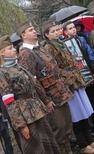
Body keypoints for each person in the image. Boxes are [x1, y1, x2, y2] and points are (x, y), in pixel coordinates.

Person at [42, 20, 94, 154]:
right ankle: (83, 144)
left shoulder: (62, 43)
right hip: (67, 85)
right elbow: (55, 68)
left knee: (84, 112)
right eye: (53, 31)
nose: (57, 32)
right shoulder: (48, 48)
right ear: (47, 35)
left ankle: (90, 141)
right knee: (76, 115)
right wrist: (70, 75)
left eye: (58, 29)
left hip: (76, 81)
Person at [0, 35, 60, 154]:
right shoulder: (2, 73)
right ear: (2, 53)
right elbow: (9, 102)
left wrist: (45, 101)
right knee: (37, 149)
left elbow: (34, 86)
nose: (14, 49)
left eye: (13, 47)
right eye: (10, 48)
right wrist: (20, 125)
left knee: (49, 144)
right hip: (26, 116)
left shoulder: (19, 66)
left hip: (37, 110)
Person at [16, 21, 74, 154]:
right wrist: (46, 100)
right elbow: (31, 81)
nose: (34, 31)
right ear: (23, 35)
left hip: (60, 93)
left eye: (34, 28)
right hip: (50, 98)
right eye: (30, 30)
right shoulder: (25, 54)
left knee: (66, 129)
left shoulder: (40, 47)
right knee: (58, 131)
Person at [63, 21, 94, 137]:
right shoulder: (65, 45)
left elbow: (90, 54)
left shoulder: (81, 39)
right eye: (70, 28)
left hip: (89, 71)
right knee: (89, 100)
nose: (74, 30)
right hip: (80, 77)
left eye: (74, 28)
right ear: (65, 32)